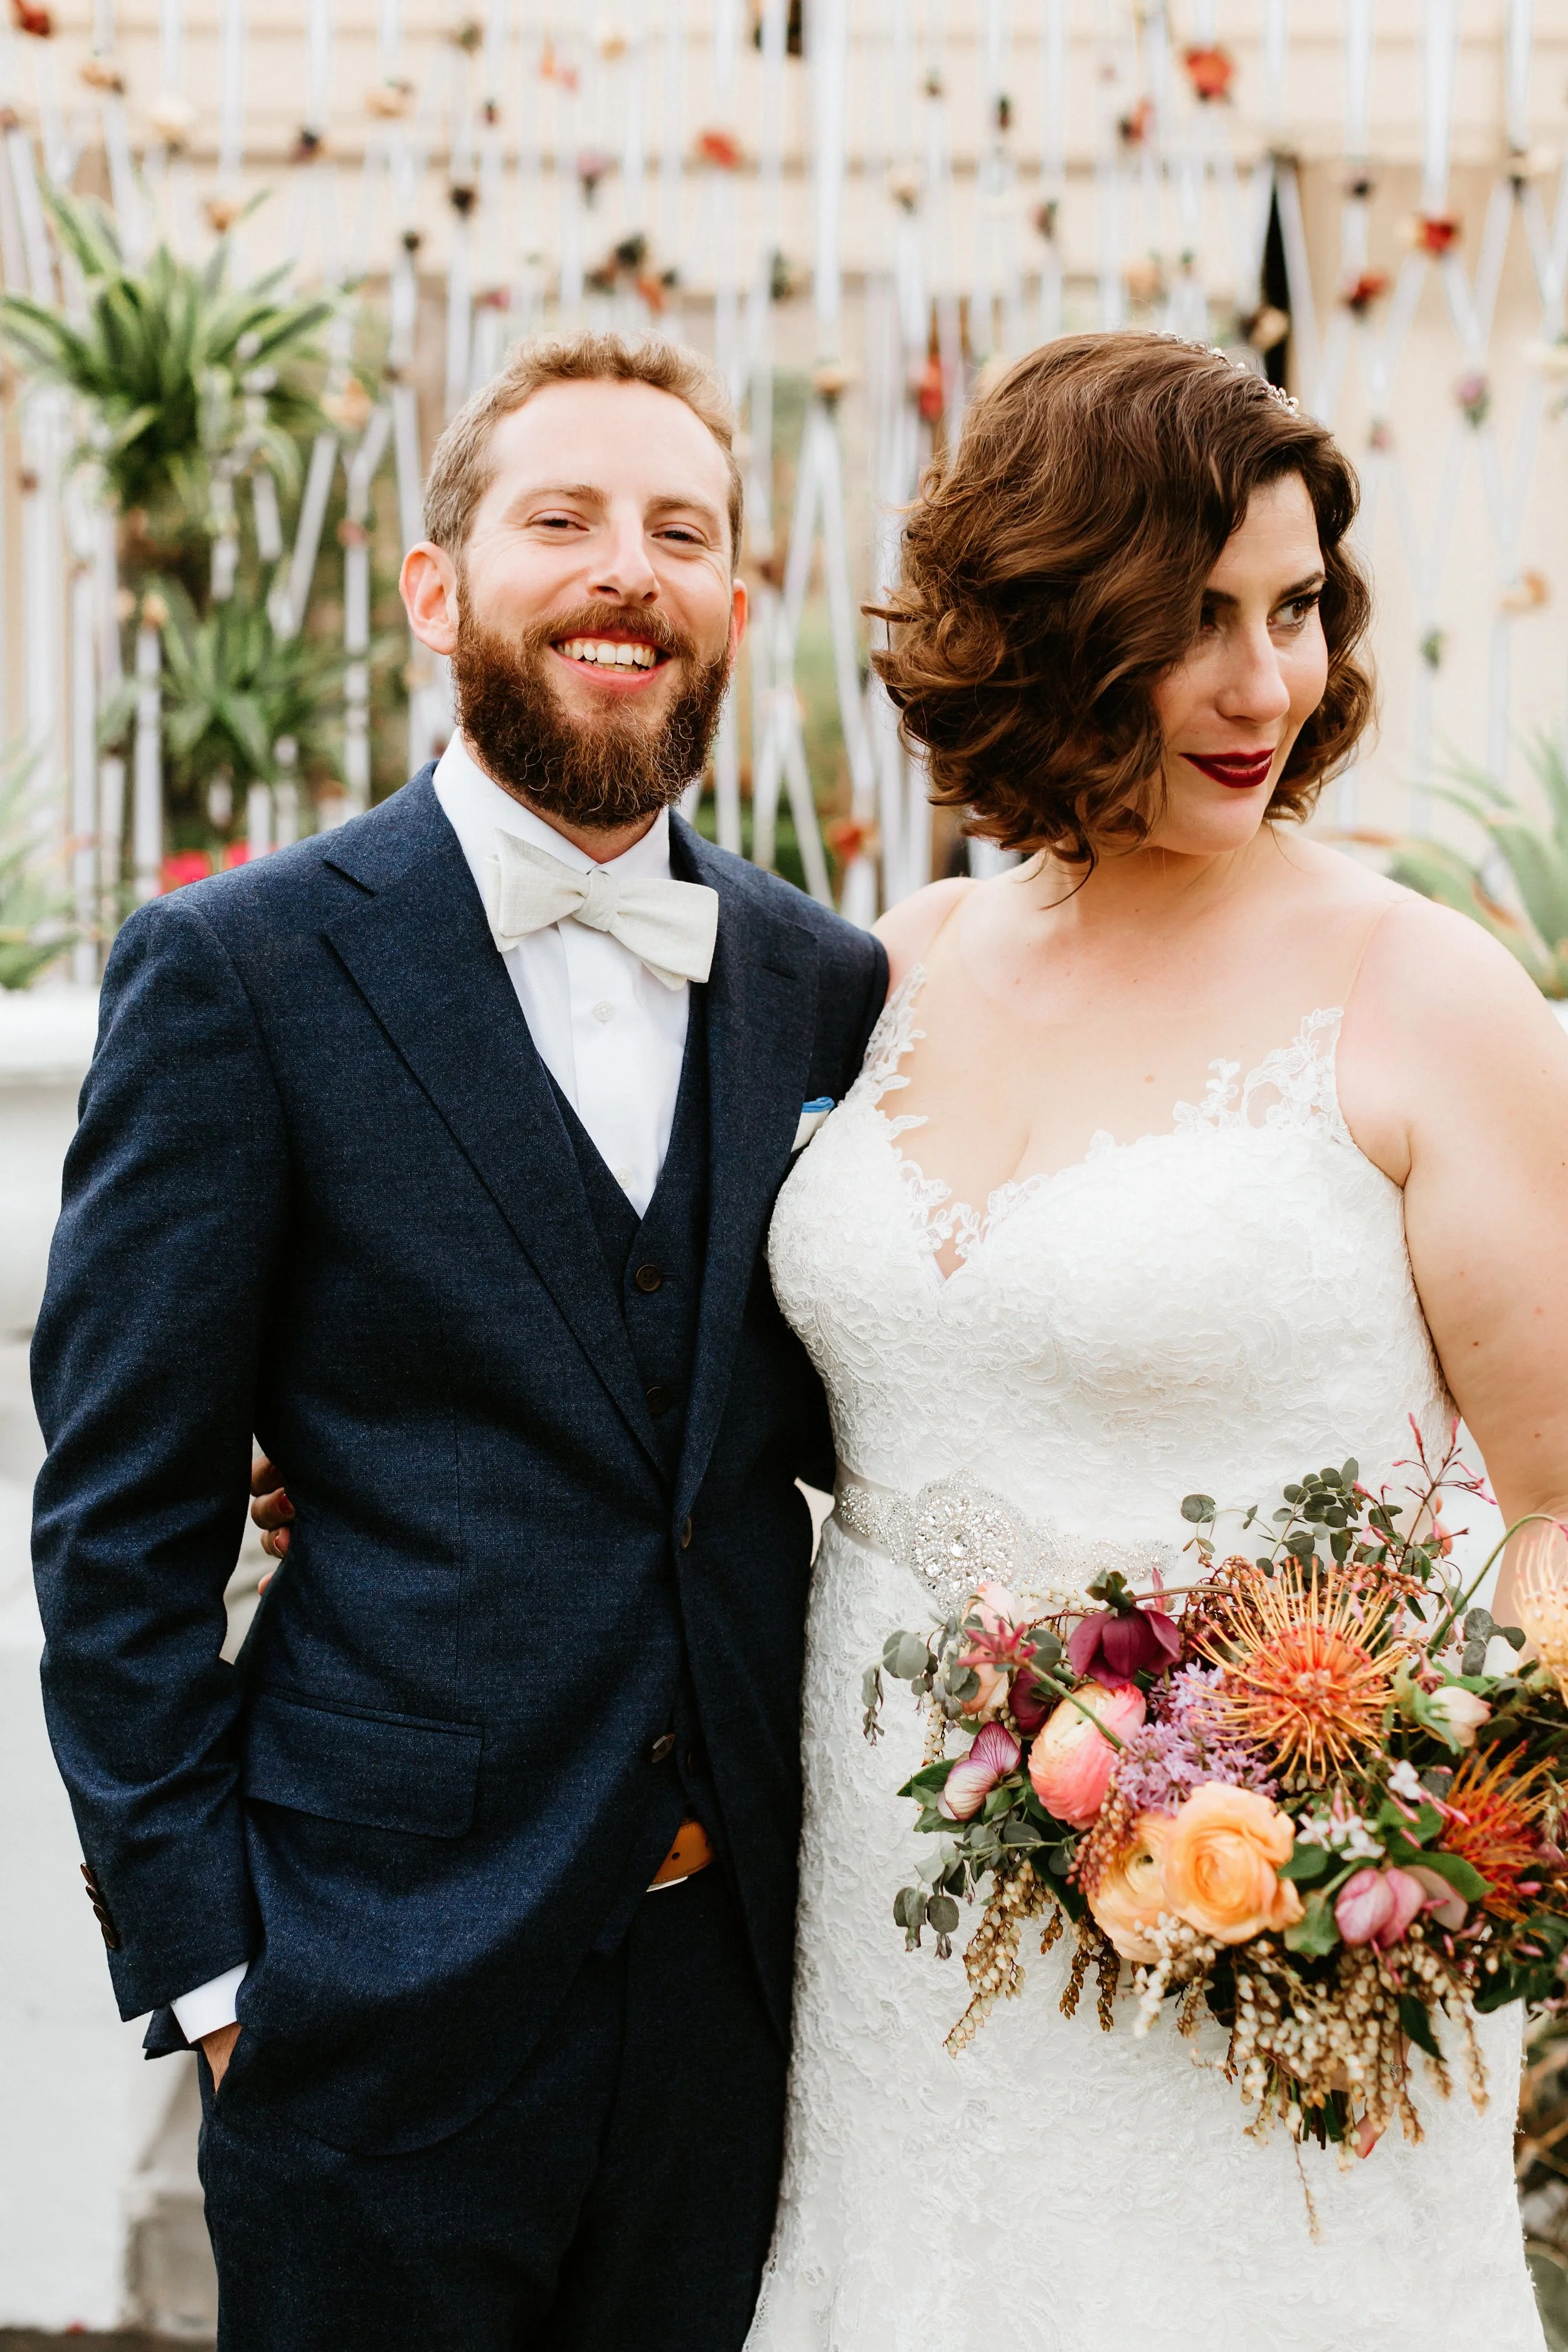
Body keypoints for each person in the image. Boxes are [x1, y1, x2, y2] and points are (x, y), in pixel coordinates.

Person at [29, 331, 885, 2352]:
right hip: (369, 1990)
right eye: (561, 518)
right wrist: (221, 1975)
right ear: (437, 588)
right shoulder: (237, 972)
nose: (627, 570)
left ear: (735, 610)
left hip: (740, 1999)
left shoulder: (825, 985)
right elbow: (119, 1519)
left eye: (681, 530)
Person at [750, 334, 1565, 2349]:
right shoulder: (903, 967)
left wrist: (1427, 1840)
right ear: (1047, 624)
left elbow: (1557, 1508)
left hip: (1274, 1960)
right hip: (889, 1957)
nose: (1262, 684)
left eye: (1293, 611)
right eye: (1190, 619)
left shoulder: (1422, 988)